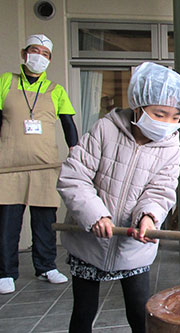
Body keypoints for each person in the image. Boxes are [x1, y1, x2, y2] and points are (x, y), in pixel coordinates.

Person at [57, 62, 180, 333]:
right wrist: (95, 214)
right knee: (83, 312)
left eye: (175, 117)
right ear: (138, 105)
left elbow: (161, 189)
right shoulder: (105, 130)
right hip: (89, 240)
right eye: (159, 113)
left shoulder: (171, 146)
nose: (167, 124)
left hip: (134, 245)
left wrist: (149, 217)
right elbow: (74, 176)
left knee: (139, 314)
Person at [0, 34, 78, 294]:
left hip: (45, 166)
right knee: (8, 221)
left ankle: (46, 266)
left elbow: (68, 124)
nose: (39, 57)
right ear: (24, 54)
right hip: (8, 167)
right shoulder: (5, 82)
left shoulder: (56, 90)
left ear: (50, 59)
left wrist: (75, 152)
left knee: (44, 220)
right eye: (35, 51)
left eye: (45, 54)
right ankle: (5, 271)